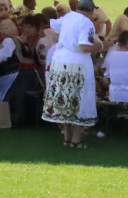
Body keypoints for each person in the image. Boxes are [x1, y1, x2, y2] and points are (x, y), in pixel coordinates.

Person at [41, 0, 101, 147]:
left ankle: (67, 137)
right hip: (77, 64)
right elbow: (85, 46)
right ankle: (77, 139)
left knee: (65, 101)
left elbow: (54, 25)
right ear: (91, 11)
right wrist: (98, 46)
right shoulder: (86, 23)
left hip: (60, 61)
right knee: (81, 100)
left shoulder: (67, 17)